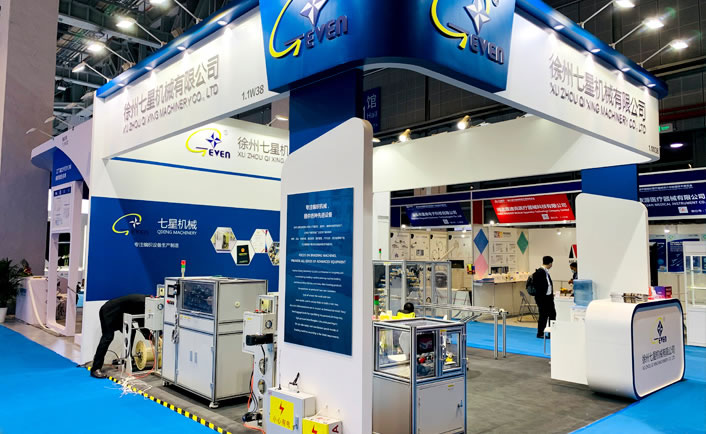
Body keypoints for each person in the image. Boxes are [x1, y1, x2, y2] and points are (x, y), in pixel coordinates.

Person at [90, 294, 147, 379]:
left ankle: (127, 359)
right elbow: (141, 322)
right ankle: (95, 368)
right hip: (108, 311)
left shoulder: (146, 301)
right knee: (107, 337)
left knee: (131, 331)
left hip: (119, 313)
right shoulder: (142, 303)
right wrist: (150, 337)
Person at [532, 256, 556, 339]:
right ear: (550, 263)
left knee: (552, 314)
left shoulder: (545, 272)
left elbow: (548, 285)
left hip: (548, 297)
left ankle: (551, 332)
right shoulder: (539, 272)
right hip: (542, 298)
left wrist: (551, 294)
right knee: (543, 315)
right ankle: (540, 333)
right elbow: (539, 286)